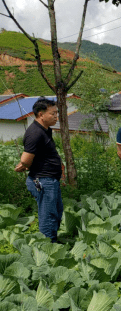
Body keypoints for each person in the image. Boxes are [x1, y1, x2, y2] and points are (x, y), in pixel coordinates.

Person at [15, 98, 64, 243]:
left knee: (56, 213)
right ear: (41, 114)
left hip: (50, 179)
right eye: (53, 113)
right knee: (48, 215)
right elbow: (25, 159)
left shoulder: (45, 129)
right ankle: (47, 248)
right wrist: (25, 165)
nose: (56, 116)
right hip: (43, 180)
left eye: (57, 113)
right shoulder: (35, 133)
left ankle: (52, 242)